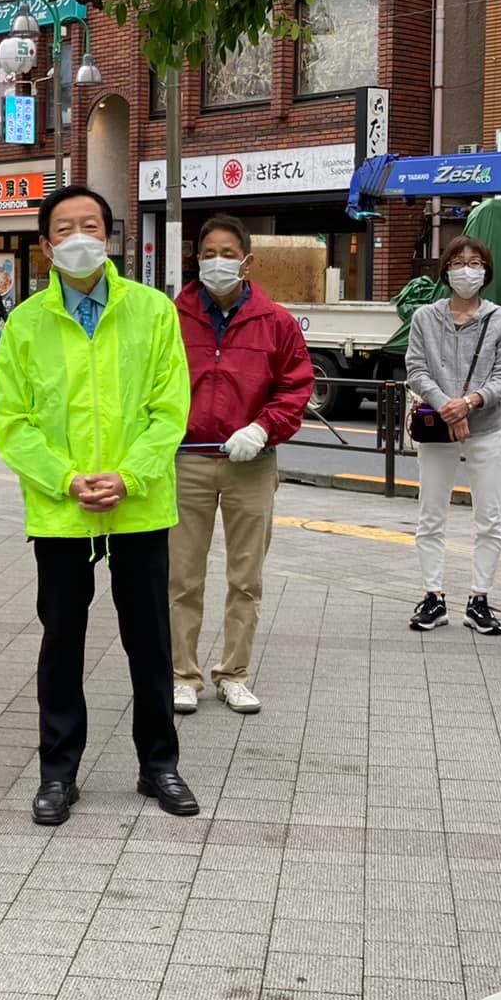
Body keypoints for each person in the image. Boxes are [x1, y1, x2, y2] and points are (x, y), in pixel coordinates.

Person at [0, 185, 197, 825]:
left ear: (109, 237)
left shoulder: (153, 311)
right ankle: (58, 772)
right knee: (62, 641)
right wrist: (64, 478)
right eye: (64, 227)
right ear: (47, 243)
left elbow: (170, 409)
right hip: (62, 511)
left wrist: (130, 475)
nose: (79, 237)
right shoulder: (25, 323)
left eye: (91, 225)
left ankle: (159, 763)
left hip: (138, 506)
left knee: (150, 639)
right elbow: (12, 421)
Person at [168, 213, 315, 714]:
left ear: (248, 262)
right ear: (195, 258)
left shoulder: (276, 322)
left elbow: (296, 387)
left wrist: (262, 428)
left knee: (245, 576)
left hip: (252, 463)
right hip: (185, 460)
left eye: (228, 254)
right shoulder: (172, 316)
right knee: (181, 575)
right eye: (208, 253)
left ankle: (233, 672)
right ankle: (181, 673)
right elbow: (149, 382)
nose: (217, 262)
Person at [404, 236, 501, 637]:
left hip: (485, 429)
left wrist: (468, 403)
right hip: (437, 430)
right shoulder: (424, 318)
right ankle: (433, 597)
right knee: (430, 516)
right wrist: (446, 406)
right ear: (445, 270)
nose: (466, 269)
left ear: (486, 271)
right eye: (457, 261)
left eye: (474, 262)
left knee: (489, 518)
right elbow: (416, 368)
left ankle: (480, 599)